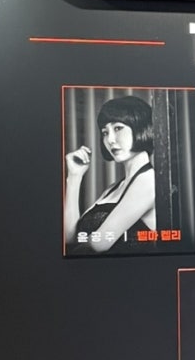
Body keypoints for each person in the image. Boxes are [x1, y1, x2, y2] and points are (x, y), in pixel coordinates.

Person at [65, 95, 156, 254]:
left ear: (140, 127)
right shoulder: (113, 188)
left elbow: (97, 245)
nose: (110, 140)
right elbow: (69, 238)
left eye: (118, 128)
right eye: (105, 132)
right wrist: (74, 177)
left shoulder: (148, 180)